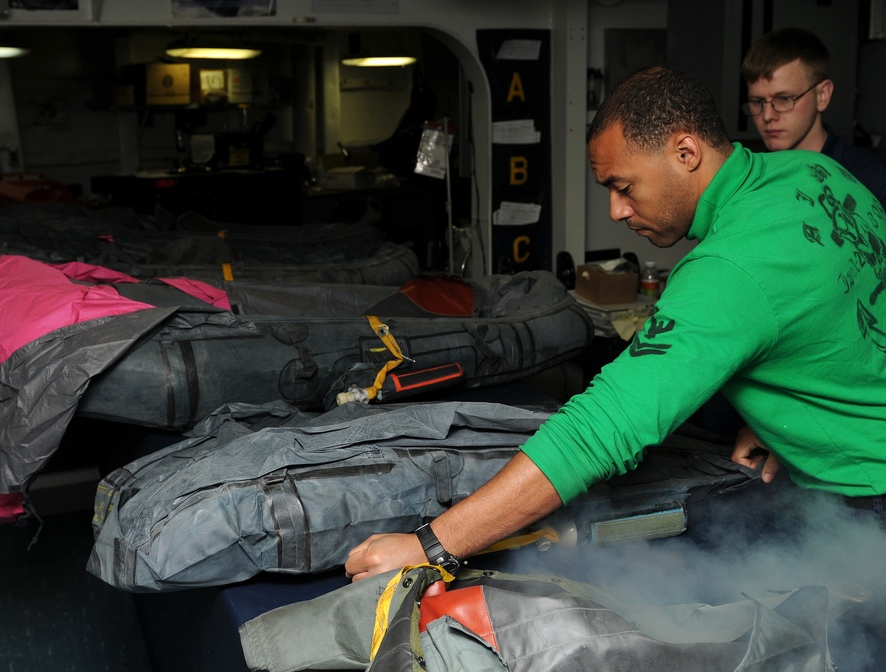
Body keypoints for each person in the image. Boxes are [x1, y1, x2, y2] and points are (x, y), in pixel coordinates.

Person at [344, 65, 886, 582]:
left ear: (685, 152)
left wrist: (428, 546)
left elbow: (600, 429)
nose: (615, 211)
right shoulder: (814, 172)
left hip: (867, 503)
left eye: (624, 186)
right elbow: (837, 311)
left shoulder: (727, 270)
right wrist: (784, 416)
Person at [741, 27, 886, 209]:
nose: (768, 116)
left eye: (785, 99)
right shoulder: (748, 180)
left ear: (822, 96)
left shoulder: (872, 180)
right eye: (757, 101)